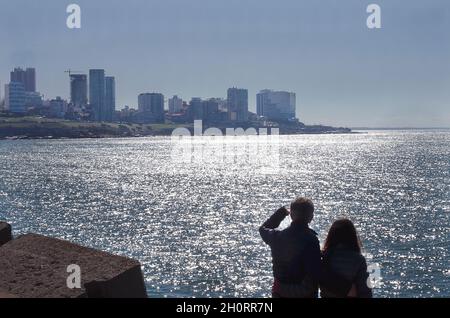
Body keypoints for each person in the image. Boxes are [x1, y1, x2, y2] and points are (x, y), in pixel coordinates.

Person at [259, 197, 353, 298]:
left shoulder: (276, 237)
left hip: (280, 292)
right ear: (311, 217)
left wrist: (281, 213)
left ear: (291, 215)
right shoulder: (311, 240)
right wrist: (346, 286)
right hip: (304, 293)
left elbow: (263, 229)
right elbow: (315, 271)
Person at [320, 219, 373, 298]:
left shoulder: (323, 257)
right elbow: (365, 291)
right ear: (352, 236)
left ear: (331, 235)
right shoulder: (358, 260)